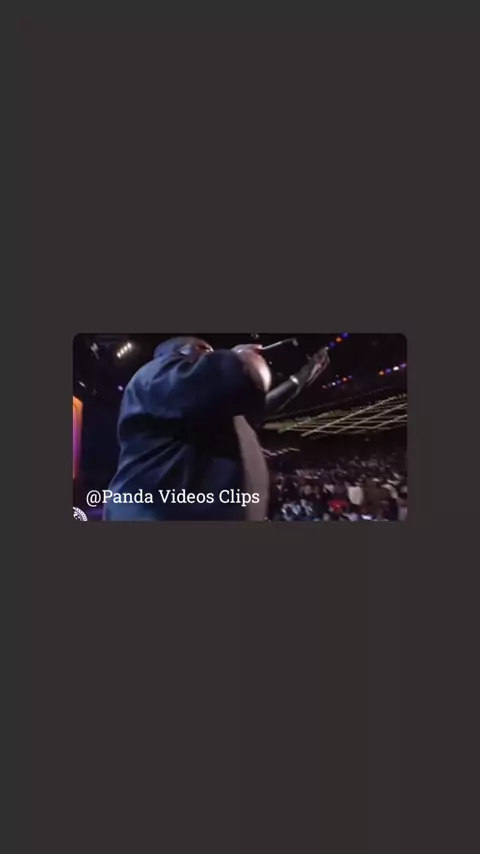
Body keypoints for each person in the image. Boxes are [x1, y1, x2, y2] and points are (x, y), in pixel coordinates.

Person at [103, 336, 329, 521]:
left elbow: (256, 407)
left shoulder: (200, 406)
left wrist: (297, 382)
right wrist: (240, 357)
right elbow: (244, 374)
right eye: (206, 350)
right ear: (183, 351)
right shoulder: (155, 373)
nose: (212, 355)